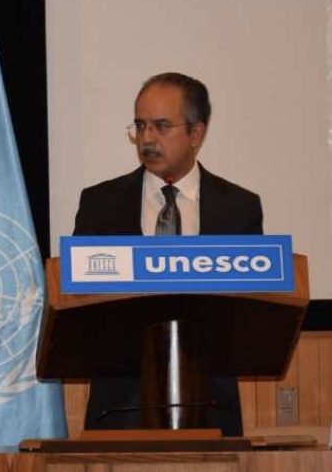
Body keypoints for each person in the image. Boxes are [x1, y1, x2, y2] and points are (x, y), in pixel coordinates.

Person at [74, 72, 262, 436]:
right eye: (140, 126)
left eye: (161, 126)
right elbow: (82, 304)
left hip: (209, 408)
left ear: (196, 134)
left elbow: (247, 310)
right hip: (119, 409)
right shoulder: (99, 204)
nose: (146, 138)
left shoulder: (239, 207)